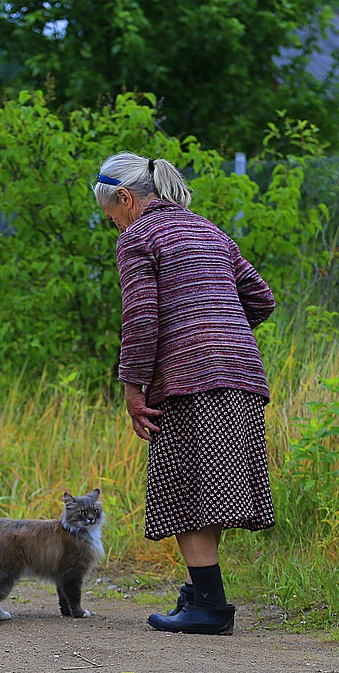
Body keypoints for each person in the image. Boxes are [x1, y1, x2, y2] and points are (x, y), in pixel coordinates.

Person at [94, 151, 276, 635]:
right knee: (207, 487)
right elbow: (260, 298)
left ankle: (211, 609)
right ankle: (200, 595)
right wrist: (218, 328)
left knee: (187, 486)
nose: (114, 227)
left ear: (127, 199)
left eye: (111, 217)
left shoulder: (139, 237)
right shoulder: (208, 229)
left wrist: (133, 389)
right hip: (240, 373)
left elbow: (141, 321)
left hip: (188, 380)